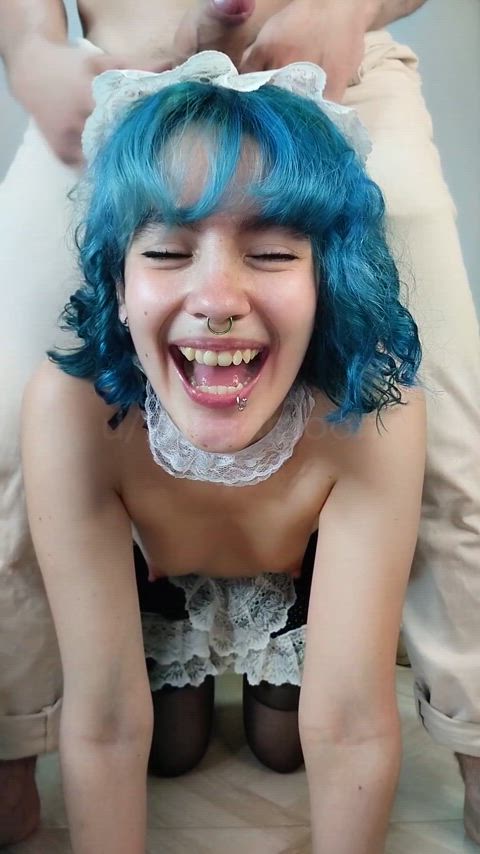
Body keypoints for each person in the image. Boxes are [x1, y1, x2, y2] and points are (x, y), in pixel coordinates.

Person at [1, 0, 480, 847]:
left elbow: (352, 725)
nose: (218, 300)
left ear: (327, 279)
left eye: (271, 253)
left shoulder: (382, 413)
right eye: (166, 252)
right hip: (122, 68)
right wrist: (32, 46)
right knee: (170, 746)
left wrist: (352, 9)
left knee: (287, 740)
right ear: (116, 283)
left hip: (340, 63)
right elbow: (105, 726)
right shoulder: (69, 408)